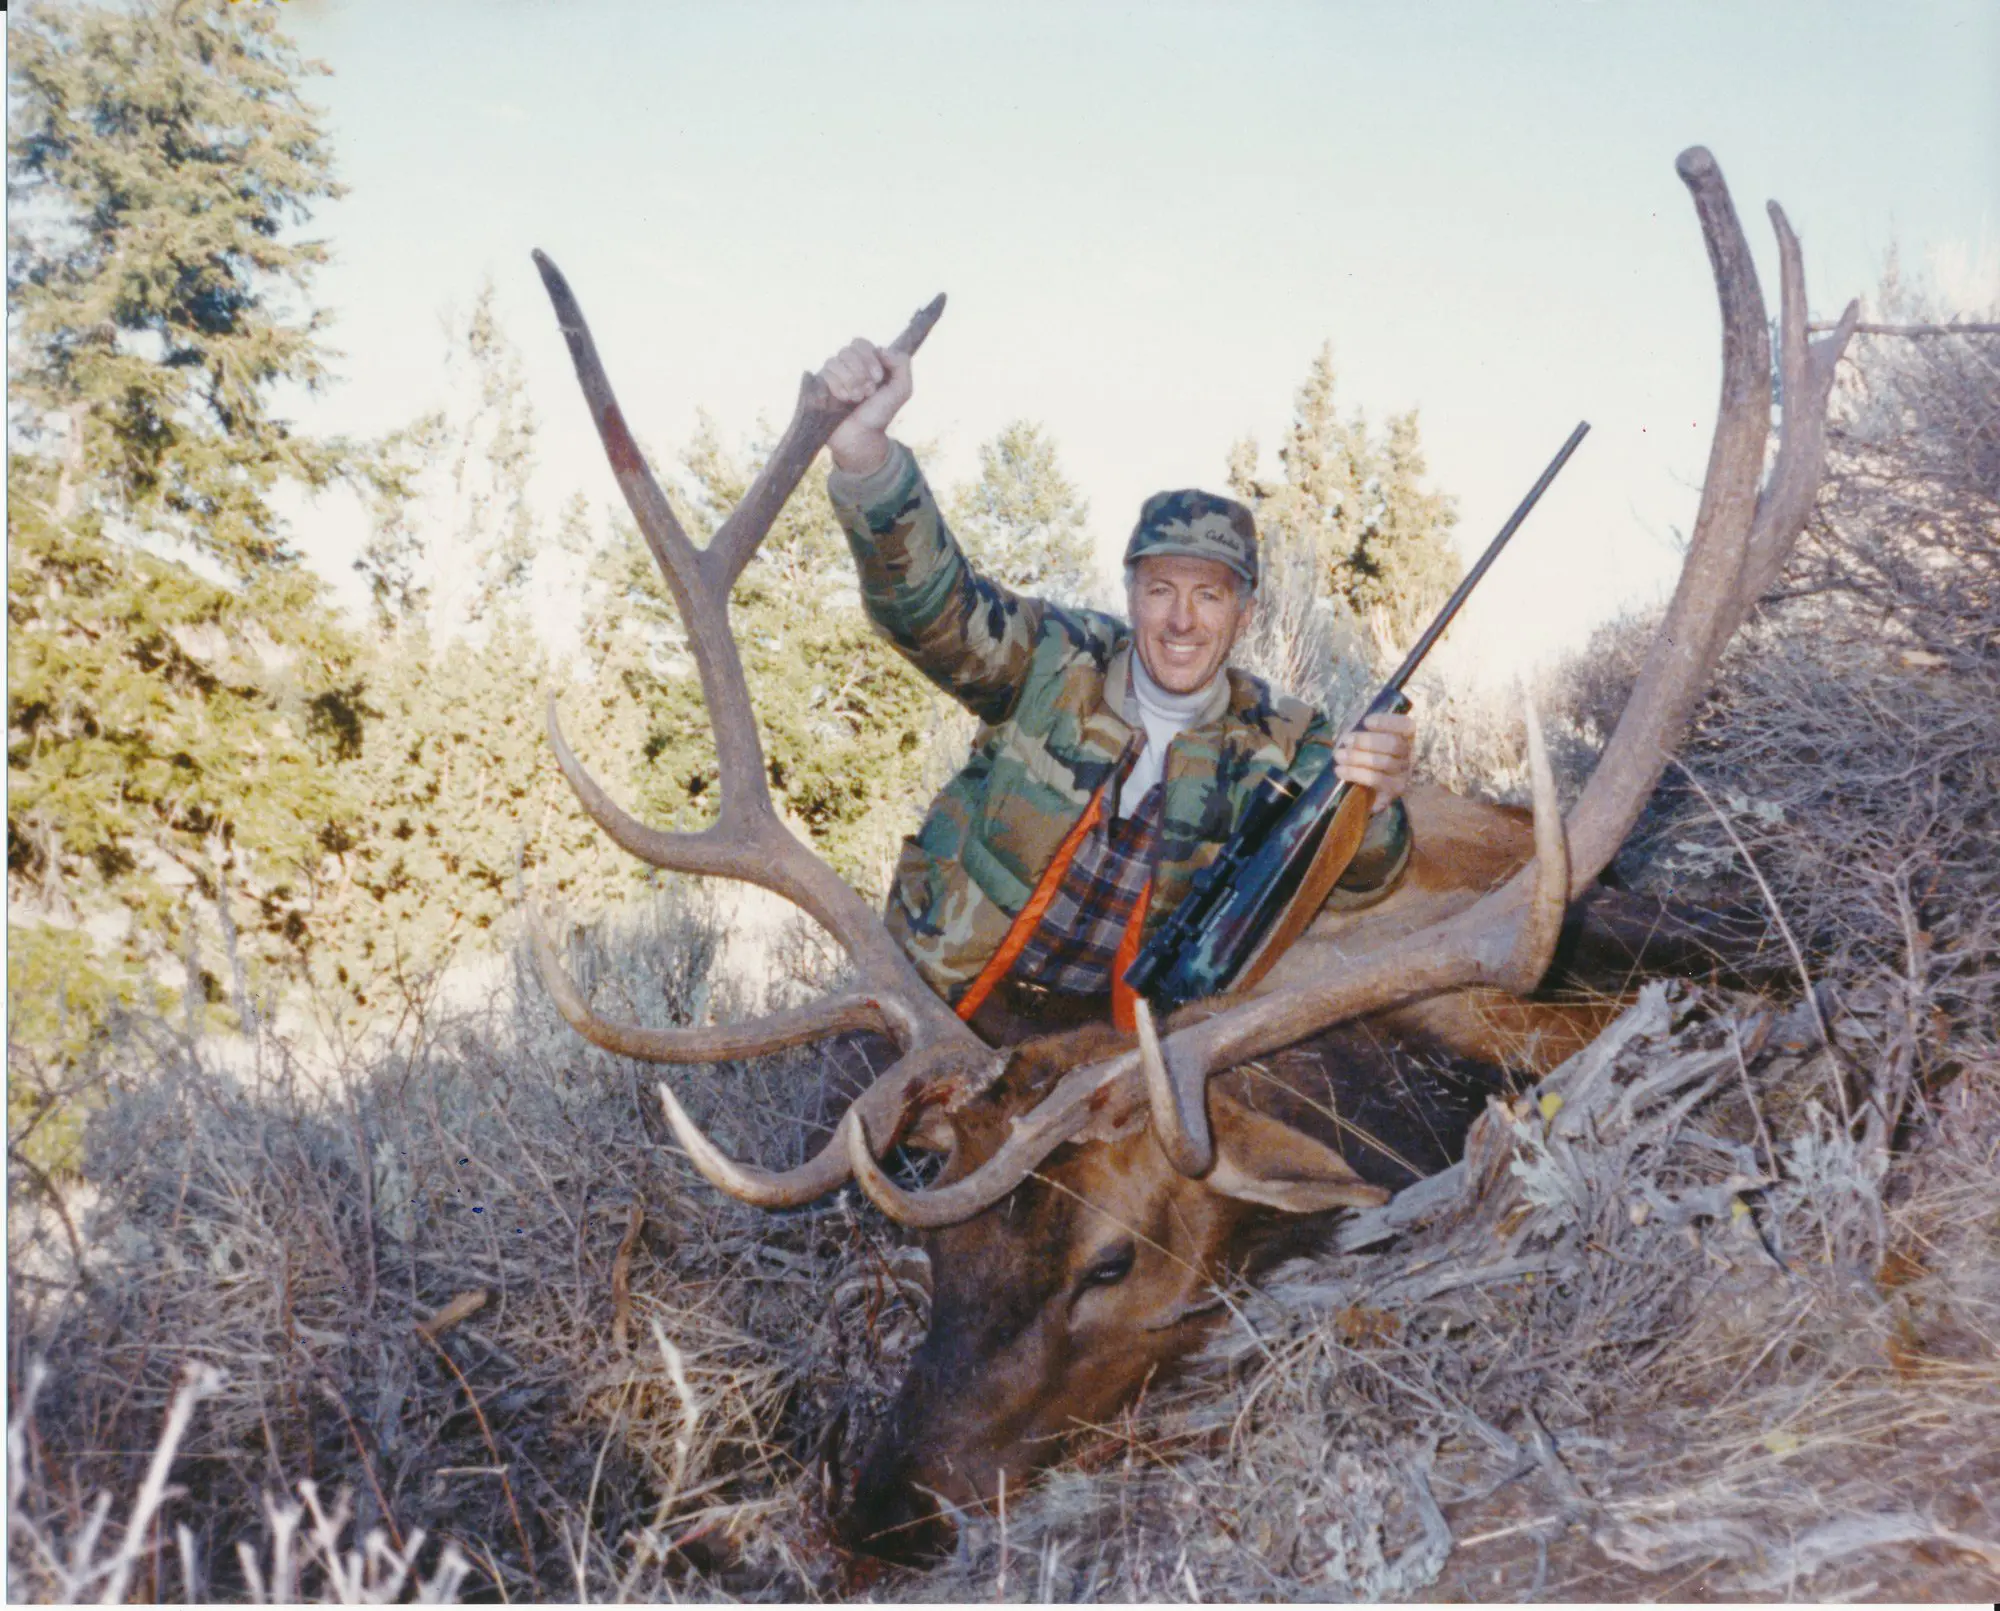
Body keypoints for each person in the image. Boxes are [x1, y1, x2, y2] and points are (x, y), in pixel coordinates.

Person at [820, 339, 1417, 1047]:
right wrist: (866, 457)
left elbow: (1354, 884)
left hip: (1096, 1066)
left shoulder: (1289, 743)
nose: (1182, 621)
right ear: (1131, 594)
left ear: (1245, 613)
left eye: (1209, 595)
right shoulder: (1051, 656)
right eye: (1160, 589)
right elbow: (930, 610)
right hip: (933, 1007)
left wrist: (1375, 804)